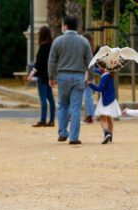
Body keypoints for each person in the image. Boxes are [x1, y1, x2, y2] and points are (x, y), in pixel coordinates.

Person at [48, 15, 93, 145]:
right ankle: (74, 137)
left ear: (65, 26)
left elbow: (52, 61)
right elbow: (90, 61)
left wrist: (51, 77)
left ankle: (62, 133)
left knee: (62, 105)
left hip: (62, 76)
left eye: (62, 24)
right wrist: (90, 77)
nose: (61, 26)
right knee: (75, 107)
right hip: (79, 76)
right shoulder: (84, 41)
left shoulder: (58, 41)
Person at [27, 26, 55, 127]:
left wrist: (31, 74)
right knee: (50, 99)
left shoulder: (43, 46)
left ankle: (43, 119)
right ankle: (51, 120)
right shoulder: (52, 46)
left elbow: (38, 63)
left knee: (43, 99)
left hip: (42, 77)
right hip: (49, 75)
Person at [86, 68, 121, 144]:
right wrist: (90, 68)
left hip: (105, 100)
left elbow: (100, 88)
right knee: (109, 118)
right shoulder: (110, 74)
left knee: (102, 118)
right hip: (112, 99)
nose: (99, 68)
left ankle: (106, 133)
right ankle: (110, 137)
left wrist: (90, 84)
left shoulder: (104, 76)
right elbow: (98, 70)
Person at [81, 32, 95, 124]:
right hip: (87, 75)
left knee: (87, 97)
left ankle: (90, 116)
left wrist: (88, 78)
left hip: (86, 76)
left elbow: (88, 66)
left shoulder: (86, 51)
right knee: (87, 97)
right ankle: (89, 116)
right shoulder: (88, 50)